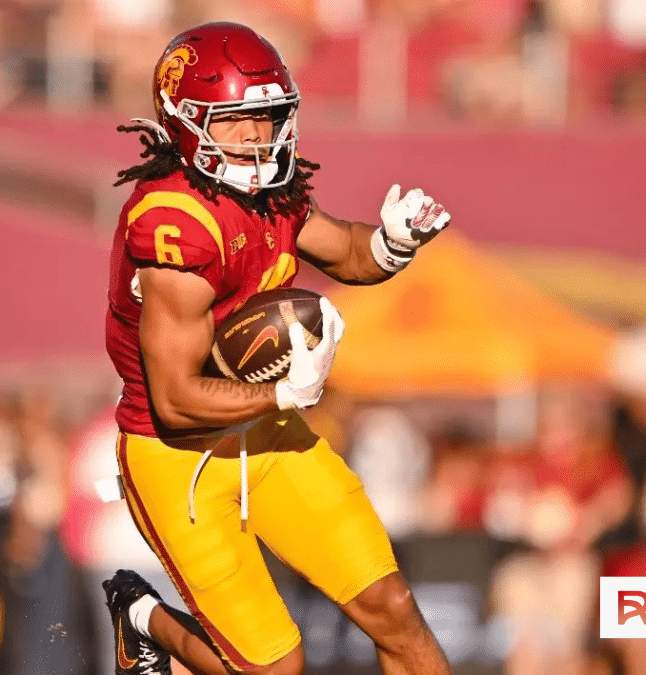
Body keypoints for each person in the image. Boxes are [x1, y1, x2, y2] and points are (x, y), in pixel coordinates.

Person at [102, 22, 453, 675]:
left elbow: (345, 250)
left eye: (268, 117)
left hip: (265, 432)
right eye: (238, 121)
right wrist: (286, 390)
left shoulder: (266, 191)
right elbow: (177, 401)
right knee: (276, 667)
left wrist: (391, 245)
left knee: (393, 606)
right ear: (186, 120)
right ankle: (144, 615)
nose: (260, 137)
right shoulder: (174, 224)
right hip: (178, 460)